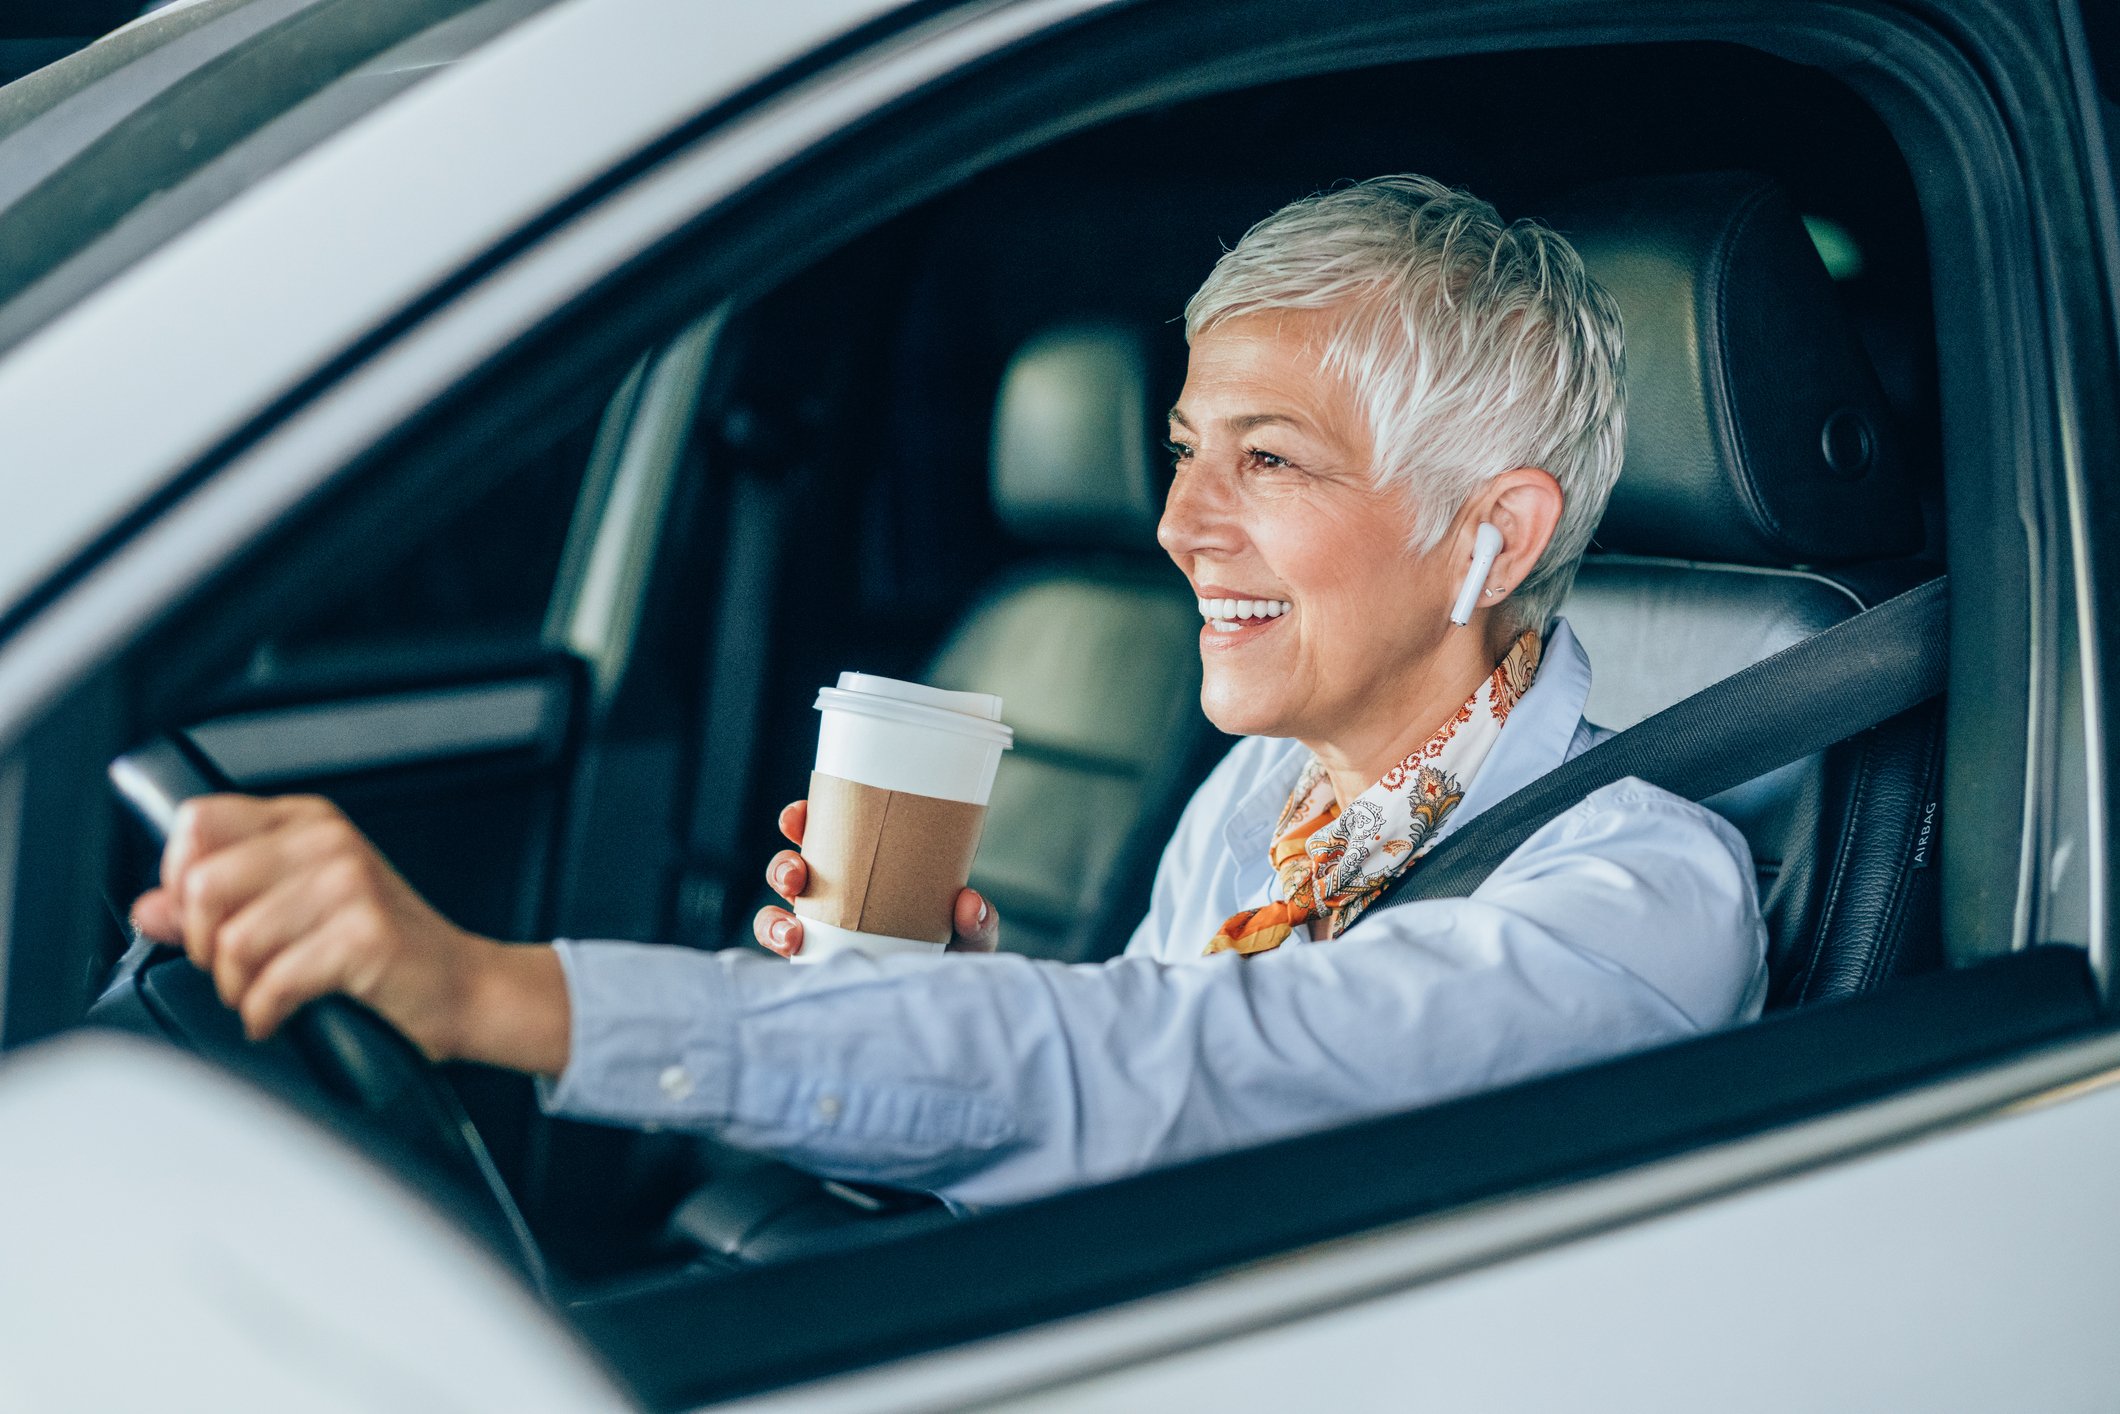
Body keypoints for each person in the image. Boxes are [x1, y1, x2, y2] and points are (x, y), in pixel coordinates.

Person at [131, 176, 1767, 1208]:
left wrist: (497, 994)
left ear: (1493, 532)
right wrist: (920, 985)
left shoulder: (1633, 901)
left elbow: (1148, 1079)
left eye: (1267, 461)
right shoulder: (1271, 801)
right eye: (1188, 450)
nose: (1178, 525)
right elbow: (1121, 1129)